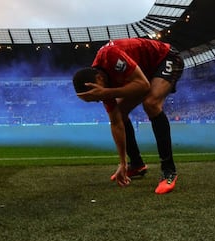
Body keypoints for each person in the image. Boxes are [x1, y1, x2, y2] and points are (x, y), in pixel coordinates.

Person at [72, 38, 184, 194]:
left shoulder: (110, 56)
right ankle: (136, 164)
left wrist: (106, 93)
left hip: (166, 58)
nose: (98, 100)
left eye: (94, 97)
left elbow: (143, 85)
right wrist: (123, 163)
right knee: (121, 112)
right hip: (145, 72)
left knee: (151, 103)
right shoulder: (101, 84)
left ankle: (169, 171)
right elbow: (116, 122)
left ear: (99, 79)